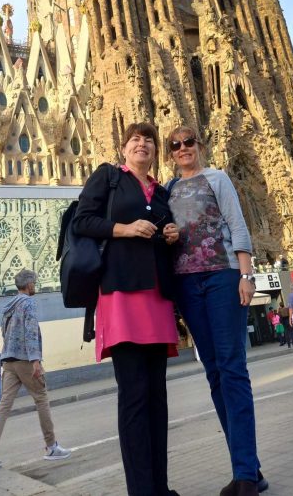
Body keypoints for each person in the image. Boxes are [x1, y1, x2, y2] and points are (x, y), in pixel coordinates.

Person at [73, 122, 181, 496]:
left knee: (157, 398)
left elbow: (165, 236)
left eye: (149, 140)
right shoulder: (109, 177)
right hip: (121, 296)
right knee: (134, 397)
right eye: (135, 139)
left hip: (157, 298)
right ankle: (141, 490)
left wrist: (171, 234)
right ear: (124, 148)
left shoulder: (162, 192)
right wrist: (126, 228)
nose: (142, 144)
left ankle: (160, 487)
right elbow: (82, 221)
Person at [166, 125, 267, 496]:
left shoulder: (217, 178)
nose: (183, 148)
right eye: (175, 145)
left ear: (199, 145)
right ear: (170, 153)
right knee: (214, 374)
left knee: (232, 369)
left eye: (188, 142)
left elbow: (237, 225)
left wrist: (246, 275)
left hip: (223, 276)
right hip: (187, 285)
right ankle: (249, 467)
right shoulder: (167, 189)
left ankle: (245, 475)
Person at [0, 269, 70, 472]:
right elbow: (30, 331)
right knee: (41, 398)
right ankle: (51, 447)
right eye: (34, 283)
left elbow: (3, 332)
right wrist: (35, 360)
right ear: (28, 285)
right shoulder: (28, 303)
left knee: (3, 406)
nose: (34, 286)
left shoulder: (8, 306)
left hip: (8, 360)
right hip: (25, 359)